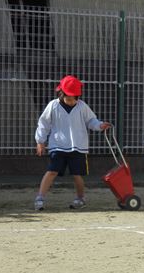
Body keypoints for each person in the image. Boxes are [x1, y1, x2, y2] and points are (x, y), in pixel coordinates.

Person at [34, 75, 111, 211]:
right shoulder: (53, 105)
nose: (71, 102)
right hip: (58, 146)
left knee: (77, 174)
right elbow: (43, 123)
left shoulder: (82, 106)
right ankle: (39, 198)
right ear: (61, 94)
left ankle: (81, 198)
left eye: (74, 99)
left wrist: (99, 125)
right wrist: (40, 141)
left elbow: (91, 121)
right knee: (52, 171)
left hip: (78, 147)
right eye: (68, 99)